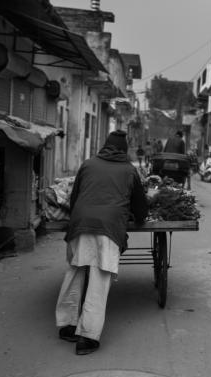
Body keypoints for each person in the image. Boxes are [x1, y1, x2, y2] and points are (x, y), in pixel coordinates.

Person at [55, 130, 148, 355]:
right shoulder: (129, 170)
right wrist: (139, 216)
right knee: (99, 278)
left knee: (75, 271)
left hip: (80, 224)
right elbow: (140, 207)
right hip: (108, 228)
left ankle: (67, 325)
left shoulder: (87, 165)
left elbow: (74, 198)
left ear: (104, 146)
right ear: (124, 150)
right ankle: (86, 338)